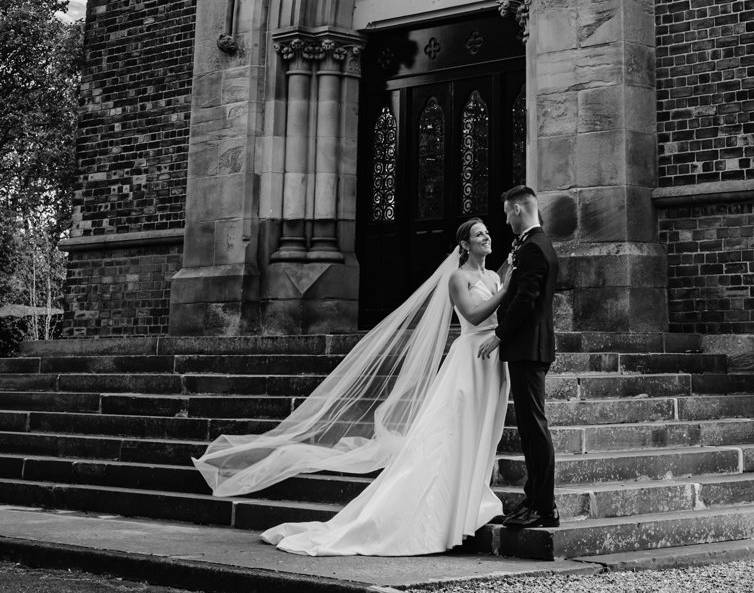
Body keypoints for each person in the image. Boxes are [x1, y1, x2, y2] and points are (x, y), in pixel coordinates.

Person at [194, 219, 510, 556]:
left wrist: (508, 279)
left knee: (478, 429)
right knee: (450, 431)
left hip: (492, 360)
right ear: (464, 245)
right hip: (468, 360)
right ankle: (442, 508)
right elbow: (473, 315)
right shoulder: (457, 278)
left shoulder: (493, 277)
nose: (487, 237)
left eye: (487, 233)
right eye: (479, 234)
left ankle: (470, 493)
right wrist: (507, 289)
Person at [478, 184, 558, 530]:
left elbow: (526, 299)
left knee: (535, 428)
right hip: (527, 348)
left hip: (528, 348)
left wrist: (498, 335)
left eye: (507, 212)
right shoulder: (533, 245)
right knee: (528, 428)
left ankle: (545, 507)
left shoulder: (535, 248)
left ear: (517, 209)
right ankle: (534, 499)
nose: (505, 221)